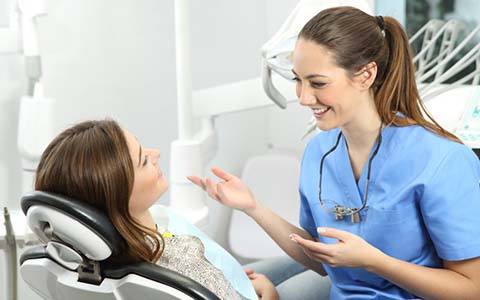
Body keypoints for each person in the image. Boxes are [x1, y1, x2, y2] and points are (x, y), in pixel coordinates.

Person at [188, 6, 480, 299]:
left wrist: (376, 262)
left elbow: (471, 288)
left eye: (317, 83)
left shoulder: (442, 160)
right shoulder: (320, 151)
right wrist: (252, 207)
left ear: (365, 75)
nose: (303, 98)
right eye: (297, 80)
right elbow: (323, 259)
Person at [34, 119, 278, 300]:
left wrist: (219, 275)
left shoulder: (95, 261)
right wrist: (269, 295)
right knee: (314, 274)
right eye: (143, 160)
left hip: (225, 280)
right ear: (120, 195)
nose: (156, 154)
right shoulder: (184, 265)